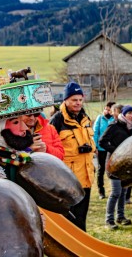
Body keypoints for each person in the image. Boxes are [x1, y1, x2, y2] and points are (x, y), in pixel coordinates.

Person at [50, 81, 96, 231]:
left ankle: (83, 250)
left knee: (82, 218)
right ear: (65, 100)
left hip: (86, 178)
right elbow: (50, 149)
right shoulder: (57, 120)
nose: (78, 103)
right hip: (67, 180)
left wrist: (90, 148)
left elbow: (92, 142)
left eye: (80, 100)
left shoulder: (85, 119)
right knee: (69, 221)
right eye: (74, 100)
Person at [99, 105, 132, 229]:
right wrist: (117, 151)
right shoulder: (114, 126)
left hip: (125, 164)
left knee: (123, 191)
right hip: (113, 163)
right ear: (124, 114)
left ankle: (120, 216)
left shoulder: (131, 128)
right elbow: (102, 141)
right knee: (116, 192)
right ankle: (109, 220)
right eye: (129, 113)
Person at [93, 101, 116, 200]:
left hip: (111, 148)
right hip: (101, 148)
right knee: (101, 169)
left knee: (113, 169)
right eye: (105, 109)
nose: (106, 111)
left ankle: (115, 190)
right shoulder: (99, 118)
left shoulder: (114, 120)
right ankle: (101, 191)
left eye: (108, 109)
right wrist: (95, 147)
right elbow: (95, 133)